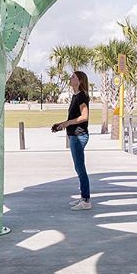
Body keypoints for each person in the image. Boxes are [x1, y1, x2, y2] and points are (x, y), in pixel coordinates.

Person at [51, 71, 91, 210]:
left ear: (80, 81)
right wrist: (62, 124)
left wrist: (67, 123)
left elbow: (84, 116)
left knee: (80, 168)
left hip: (79, 136)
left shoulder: (81, 96)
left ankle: (86, 201)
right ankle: (83, 198)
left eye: (73, 77)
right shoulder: (76, 96)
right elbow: (73, 118)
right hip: (74, 135)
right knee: (78, 167)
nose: (70, 78)